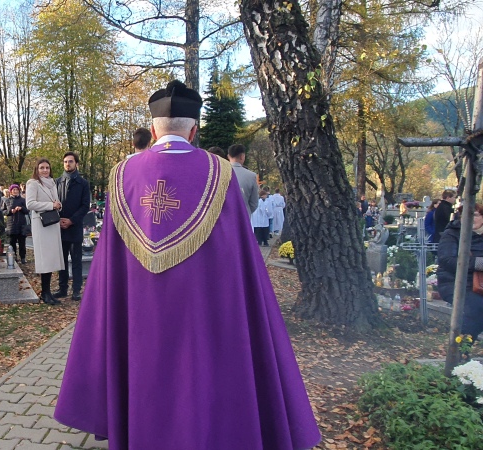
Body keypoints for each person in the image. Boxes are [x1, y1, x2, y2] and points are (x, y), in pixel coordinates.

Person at [54, 80, 320, 449]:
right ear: (194, 131)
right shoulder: (220, 174)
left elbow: (108, 267)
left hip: (136, 316)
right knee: (200, 378)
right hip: (202, 317)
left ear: (153, 131)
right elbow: (237, 257)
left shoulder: (121, 175)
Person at [437, 203, 483, 340]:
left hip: (480, 284)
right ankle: (461, 347)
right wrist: (478, 263)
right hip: (455, 282)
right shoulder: (452, 234)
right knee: (475, 307)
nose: (471, 218)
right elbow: (446, 260)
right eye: (466, 215)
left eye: (475, 215)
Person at [26, 158, 64, 305]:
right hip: (41, 224)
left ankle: (48, 292)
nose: (45, 170)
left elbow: (56, 201)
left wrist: (58, 205)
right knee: (45, 259)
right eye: (42, 168)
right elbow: (30, 204)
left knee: (51, 258)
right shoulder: (33, 183)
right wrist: (50, 205)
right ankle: (45, 293)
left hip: (52, 223)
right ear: (37, 169)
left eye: (47, 167)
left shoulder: (52, 183)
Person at [54, 151, 90, 301]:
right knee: (61, 260)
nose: (67, 164)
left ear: (76, 164)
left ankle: (76, 290)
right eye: (65, 162)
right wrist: (58, 220)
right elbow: (53, 202)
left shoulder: (83, 183)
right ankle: (62, 288)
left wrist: (71, 220)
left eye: (70, 161)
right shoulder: (57, 182)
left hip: (74, 227)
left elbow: (85, 205)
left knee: (76, 260)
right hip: (60, 228)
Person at [227, 143, 259, 216]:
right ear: (242, 156)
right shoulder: (251, 176)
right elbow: (254, 204)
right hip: (243, 216)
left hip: (224, 218)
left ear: (228, 156)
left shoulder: (220, 173)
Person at [4, 184, 29, 264]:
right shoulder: (7, 200)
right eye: (13, 190)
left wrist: (21, 208)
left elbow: (27, 211)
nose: (15, 191)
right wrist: (10, 211)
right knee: (12, 242)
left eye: (16, 189)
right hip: (11, 224)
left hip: (21, 223)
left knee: (22, 242)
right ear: (11, 191)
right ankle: (14, 257)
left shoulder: (23, 200)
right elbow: (3, 211)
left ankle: (23, 257)